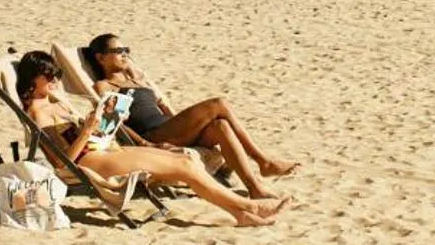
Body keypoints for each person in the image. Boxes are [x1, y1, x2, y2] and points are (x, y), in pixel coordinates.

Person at [16, 51, 283, 227]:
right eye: (48, 76)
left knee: (186, 160)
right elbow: (62, 163)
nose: (55, 80)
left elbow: (84, 133)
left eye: (56, 75)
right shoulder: (38, 114)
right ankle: (249, 207)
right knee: (184, 166)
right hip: (90, 161)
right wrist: (86, 131)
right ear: (32, 79)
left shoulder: (56, 102)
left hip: (104, 147)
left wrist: (105, 121)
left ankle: (240, 214)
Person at [82, 33, 301, 196]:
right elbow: (115, 123)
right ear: (101, 58)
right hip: (153, 133)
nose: (125, 54)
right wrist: (145, 144)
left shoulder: (137, 79)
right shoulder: (104, 86)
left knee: (221, 126)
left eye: (126, 49)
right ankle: (263, 161)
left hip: (170, 127)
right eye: (118, 51)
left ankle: (254, 188)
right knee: (219, 104)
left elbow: (165, 109)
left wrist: (185, 122)